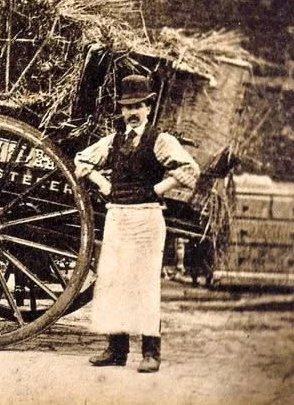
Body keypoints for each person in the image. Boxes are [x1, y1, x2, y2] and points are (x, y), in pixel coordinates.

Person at [74, 75, 200, 373]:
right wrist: (103, 184)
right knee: (113, 280)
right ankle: (116, 351)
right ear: (121, 110)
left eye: (138, 106)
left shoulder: (160, 140)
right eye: (127, 107)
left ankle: (151, 353)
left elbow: (190, 170)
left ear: (147, 107)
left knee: (143, 284)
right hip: (117, 216)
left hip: (146, 218)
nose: (132, 112)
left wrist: (159, 189)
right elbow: (81, 162)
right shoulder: (114, 141)